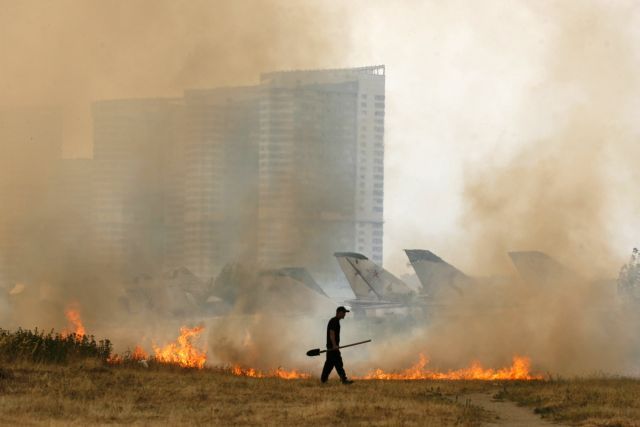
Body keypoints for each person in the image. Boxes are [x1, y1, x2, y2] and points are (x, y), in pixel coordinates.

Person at [320, 306, 354, 384]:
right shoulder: (334, 321)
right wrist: (335, 345)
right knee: (338, 363)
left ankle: (323, 380)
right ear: (339, 312)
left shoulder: (335, 321)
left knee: (329, 364)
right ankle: (344, 380)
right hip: (332, 347)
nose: (345, 314)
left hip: (332, 347)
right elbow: (332, 333)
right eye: (344, 313)